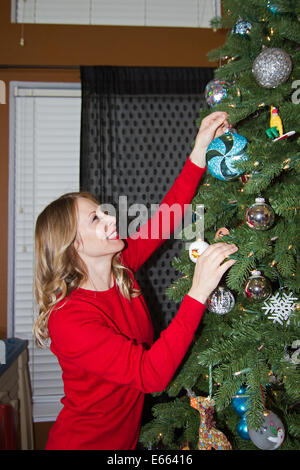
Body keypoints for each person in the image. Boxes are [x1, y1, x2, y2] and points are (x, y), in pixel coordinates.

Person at [33, 111, 238, 450]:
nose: (109, 217)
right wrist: (199, 290)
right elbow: (150, 375)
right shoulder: (68, 320)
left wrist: (200, 147)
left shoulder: (121, 267)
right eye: (95, 218)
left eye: (103, 210)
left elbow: (168, 216)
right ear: (73, 244)